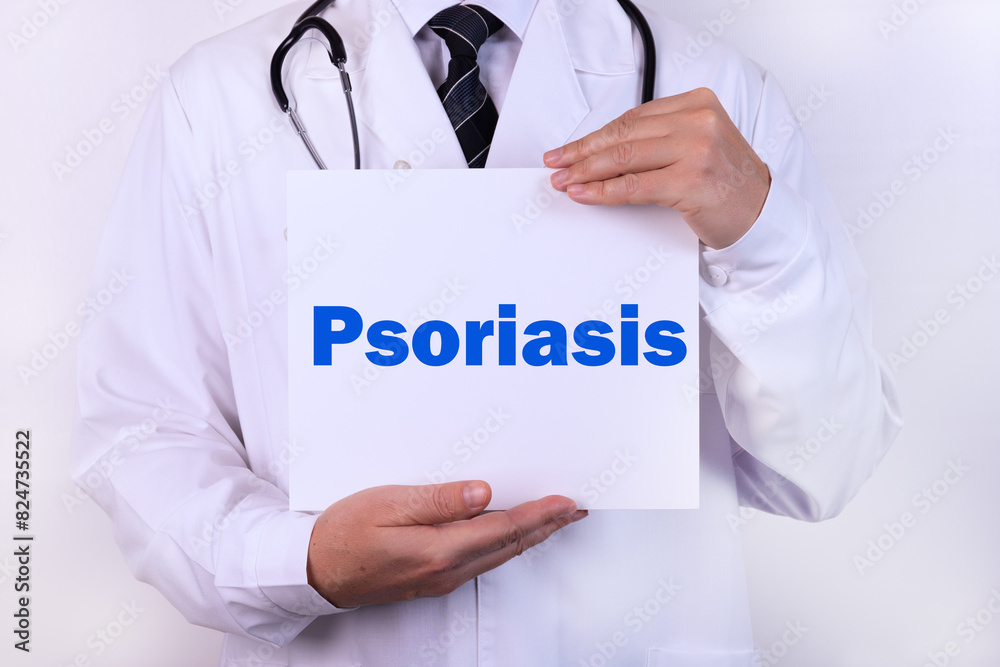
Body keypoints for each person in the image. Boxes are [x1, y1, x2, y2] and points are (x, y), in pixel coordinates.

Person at [71, 0, 903, 665]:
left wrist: (760, 236)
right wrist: (301, 560)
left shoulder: (715, 91)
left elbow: (826, 466)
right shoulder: (218, 100)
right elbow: (144, 431)